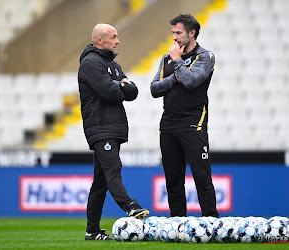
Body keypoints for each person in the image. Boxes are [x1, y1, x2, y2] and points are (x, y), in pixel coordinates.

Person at [78, 23, 149, 241]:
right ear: (100, 40)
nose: (118, 41)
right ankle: (130, 206)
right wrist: (122, 85)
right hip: (100, 127)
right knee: (113, 168)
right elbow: (110, 92)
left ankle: (92, 231)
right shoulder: (90, 63)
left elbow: (133, 91)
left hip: (112, 127)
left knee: (100, 182)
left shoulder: (113, 65)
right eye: (113, 37)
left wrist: (121, 85)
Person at [150, 14, 219, 218]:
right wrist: (176, 76)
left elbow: (191, 81)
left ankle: (211, 221)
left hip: (193, 124)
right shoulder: (166, 58)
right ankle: (177, 222)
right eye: (173, 33)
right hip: (168, 125)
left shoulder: (205, 56)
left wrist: (178, 62)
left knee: (201, 176)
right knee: (173, 179)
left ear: (192, 33)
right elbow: (154, 89)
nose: (174, 38)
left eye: (178, 33)